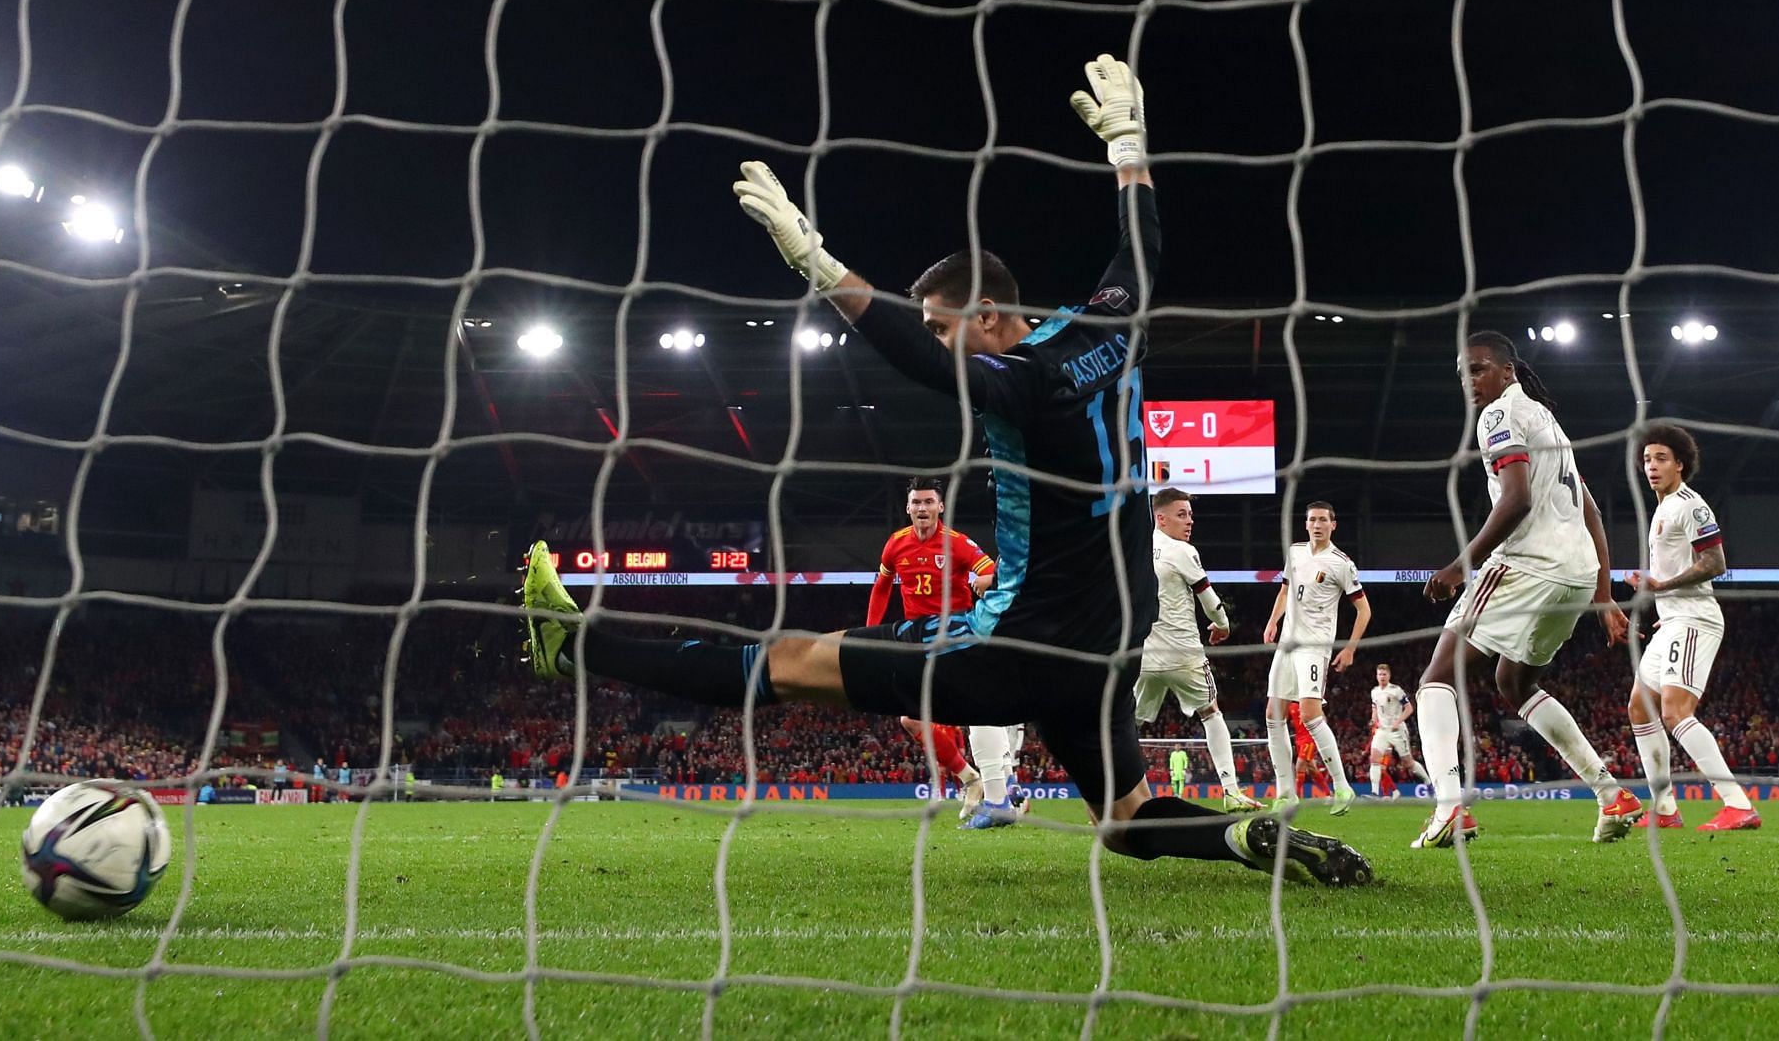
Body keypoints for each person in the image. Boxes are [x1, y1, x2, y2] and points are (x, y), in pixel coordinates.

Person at [519, 55, 1370, 886]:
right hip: (1110, 638)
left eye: (940, 322)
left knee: (784, 664)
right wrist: (1127, 148)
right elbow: (1139, 247)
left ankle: (575, 647)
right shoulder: (1114, 324)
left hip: (1016, 644)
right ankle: (1241, 838)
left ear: (989, 316)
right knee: (1124, 819)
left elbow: (922, 366)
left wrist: (816, 264)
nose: (934, 337)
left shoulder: (1025, 381)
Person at [1416, 330, 1643, 848]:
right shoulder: (1548, 421)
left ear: (1507, 371)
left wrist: (1459, 566)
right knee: (1514, 683)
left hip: (1529, 563)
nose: (1470, 382)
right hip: (1576, 573)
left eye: (1478, 369)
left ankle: (1450, 806)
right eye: (1462, 374)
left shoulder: (1497, 416)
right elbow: (1591, 509)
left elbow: (1515, 499)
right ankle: (1612, 795)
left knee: (1436, 676)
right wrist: (1603, 593)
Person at [1625, 423, 1759, 831]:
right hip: (1671, 622)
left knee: (1675, 711)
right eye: (1647, 459)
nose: (1652, 466)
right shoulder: (1662, 509)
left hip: (1695, 619)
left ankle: (1737, 805)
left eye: (1661, 458)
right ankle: (1665, 810)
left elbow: (1715, 563)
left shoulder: (1690, 505)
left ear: (1680, 465)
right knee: (1638, 707)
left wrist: (1663, 586)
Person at [869, 476, 1015, 826]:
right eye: (916, 502)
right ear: (908, 508)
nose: (922, 508)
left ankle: (1000, 788)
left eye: (929, 502)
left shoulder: (957, 544)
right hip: (917, 642)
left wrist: (986, 579)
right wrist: (871, 633)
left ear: (941, 507)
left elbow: (991, 572)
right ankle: (973, 780)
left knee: (974, 713)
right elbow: (881, 587)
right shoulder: (895, 544)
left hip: (958, 637)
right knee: (911, 719)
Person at [1134, 488, 1261, 812]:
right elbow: (1208, 597)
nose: (1189, 521)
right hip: (1184, 654)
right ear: (1160, 518)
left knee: (1126, 724)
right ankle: (1231, 792)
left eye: (1190, 514)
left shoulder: (1133, 547)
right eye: (1181, 514)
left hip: (1144, 655)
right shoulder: (1182, 551)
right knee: (1211, 713)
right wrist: (1223, 624)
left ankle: (1113, 798)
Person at [1260, 502, 1369, 815]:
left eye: (1323, 520)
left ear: (1333, 525)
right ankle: (1285, 793)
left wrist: (1350, 648)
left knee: (1309, 714)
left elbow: (1364, 610)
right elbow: (1284, 591)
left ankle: (1342, 787)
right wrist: (1273, 621)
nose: (1317, 524)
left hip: (1314, 647)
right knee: (1273, 713)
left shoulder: (1341, 563)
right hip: (1287, 644)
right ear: (1305, 524)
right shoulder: (1294, 552)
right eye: (1312, 520)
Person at [1367, 663, 1430, 798]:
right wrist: (1373, 720)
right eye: (1380, 674)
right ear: (1376, 676)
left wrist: (1398, 721)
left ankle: (1428, 782)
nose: (1382, 677)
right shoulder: (1374, 692)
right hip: (1382, 731)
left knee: (1408, 763)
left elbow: (1409, 708)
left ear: (1389, 676)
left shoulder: (1396, 690)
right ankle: (1374, 792)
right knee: (1374, 759)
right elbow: (1375, 709)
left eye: (1384, 674)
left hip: (1397, 731)